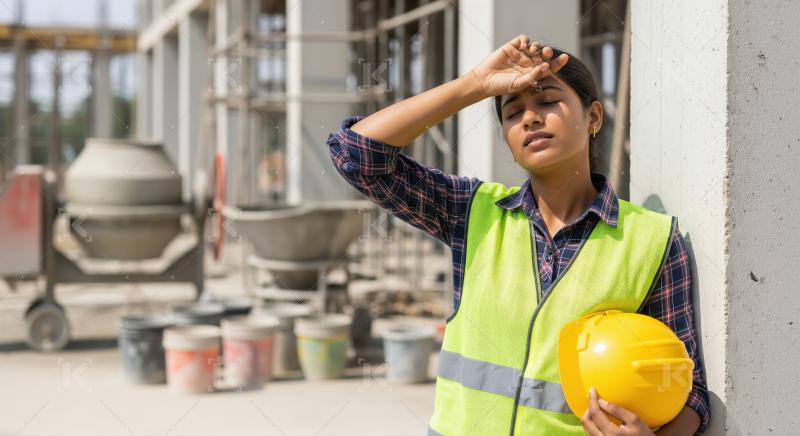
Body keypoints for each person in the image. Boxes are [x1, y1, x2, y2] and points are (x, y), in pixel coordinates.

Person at [327, 34, 709, 435]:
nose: (529, 118)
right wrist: (474, 83)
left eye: (547, 102)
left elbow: (691, 391)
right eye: (512, 112)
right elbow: (357, 154)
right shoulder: (471, 211)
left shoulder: (652, 241)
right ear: (508, 141)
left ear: (594, 117)